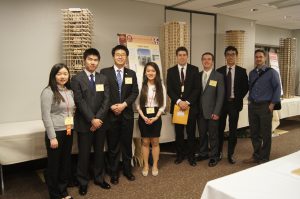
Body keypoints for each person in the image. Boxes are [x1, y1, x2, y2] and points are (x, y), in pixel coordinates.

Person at [71, 48, 111, 196]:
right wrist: (92, 119)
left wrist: (98, 119)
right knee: (84, 155)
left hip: (100, 124)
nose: (93, 62)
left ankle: (99, 178)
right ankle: (83, 182)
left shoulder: (103, 79)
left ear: (98, 62)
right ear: (84, 60)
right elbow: (79, 101)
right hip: (84, 123)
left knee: (100, 153)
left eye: (95, 60)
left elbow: (107, 101)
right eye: (90, 59)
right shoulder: (76, 79)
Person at [100, 45, 139, 185]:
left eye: (123, 54)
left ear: (126, 56)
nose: (120, 56)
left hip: (127, 115)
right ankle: (114, 173)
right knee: (113, 146)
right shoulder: (104, 72)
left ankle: (128, 171)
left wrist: (124, 105)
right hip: (110, 116)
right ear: (113, 56)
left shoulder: (131, 73)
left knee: (127, 145)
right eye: (118, 54)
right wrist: (111, 106)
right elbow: (103, 92)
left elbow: (135, 92)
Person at [41, 63, 75, 199]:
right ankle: (54, 195)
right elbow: (45, 116)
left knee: (65, 162)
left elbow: (71, 110)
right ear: (54, 75)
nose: (62, 76)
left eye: (65, 74)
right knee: (54, 165)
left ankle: (63, 191)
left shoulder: (69, 91)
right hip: (55, 132)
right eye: (59, 74)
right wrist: (52, 137)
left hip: (68, 130)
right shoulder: (48, 92)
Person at [244, 49, 281, 164]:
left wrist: (272, 104)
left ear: (265, 58)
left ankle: (264, 158)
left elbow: (277, 88)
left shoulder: (272, 72)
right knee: (254, 133)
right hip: (253, 106)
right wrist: (250, 101)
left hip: (265, 106)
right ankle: (256, 155)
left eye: (260, 57)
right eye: (256, 57)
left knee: (265, 133)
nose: (258, 59)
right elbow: (251, 88)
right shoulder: (252, 73)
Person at [166, 46, 200, 166]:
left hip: (190, 107)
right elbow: (169, 90)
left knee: (191, 133)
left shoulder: (194, 69)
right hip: (177, 107)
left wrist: (188, 102)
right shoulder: (171, 71)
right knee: (179, 133)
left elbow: (197, 89)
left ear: (187, 56)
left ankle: (191, 156)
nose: (182, 57)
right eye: (179, 55)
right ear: (176, 57)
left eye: (184, 55)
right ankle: (180, 155)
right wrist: (179, 101)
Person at [216, 46, 248, 164]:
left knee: (233, 130)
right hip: (221, 105)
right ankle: (219, 152)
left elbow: (245, 87)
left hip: (234, 104)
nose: (230, 56)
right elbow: (215, 88)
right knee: (220, 129)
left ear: (236, 56)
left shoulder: (242, 71)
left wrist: (237, 97)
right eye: (228, 54)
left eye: (233, 54)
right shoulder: (219, 71)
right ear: (225, 56)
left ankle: (230, 154)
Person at [136, 62, 166, 177]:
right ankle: (146, 165)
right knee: (145, 142)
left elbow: (163, 105)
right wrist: (143, 116)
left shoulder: (160, 86)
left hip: (156, 115)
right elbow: (137, 104)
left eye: (153, 71)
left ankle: (155, 165)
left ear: (156, 72)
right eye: (148, 71)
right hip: (143, 114)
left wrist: (156, 117)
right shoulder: (140, 85)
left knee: (154, 142)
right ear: (145, 72)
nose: (150, 73)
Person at [197, 52, 224, 167]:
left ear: (212, 62)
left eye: (209, 59)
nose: (206, 61)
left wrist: (217, 112)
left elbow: (220, 96)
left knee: (213, 135)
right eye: (204, 59)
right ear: (202, 61)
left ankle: (214, 156)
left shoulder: (218, 76)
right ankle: (203, 153)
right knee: (202, 134)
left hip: (213, 112)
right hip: (200, 112)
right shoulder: (198, 75)